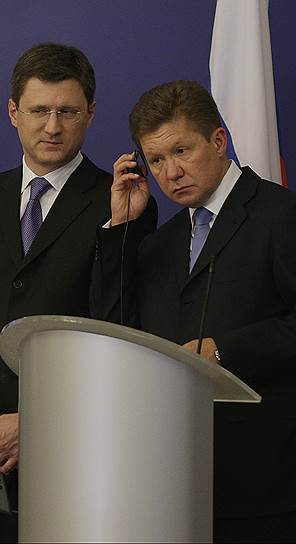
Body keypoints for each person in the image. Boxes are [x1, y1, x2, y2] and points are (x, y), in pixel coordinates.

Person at [0, 43, 156, 543]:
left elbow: (121, 333)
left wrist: (35, 424)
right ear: (14, 112)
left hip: (80, 455)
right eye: (39, 111)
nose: (52, 127)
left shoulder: (122, 202)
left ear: (90, 113)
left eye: (67, 112)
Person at [93, 79, 296, 542]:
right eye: (156, 160)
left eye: (182, 151)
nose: (171, 172)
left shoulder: (280, 214)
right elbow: (118, 336)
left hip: (265, 486)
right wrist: (123, 227)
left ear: (218, 141)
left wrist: (224, 351)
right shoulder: (156, 244)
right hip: (171, 484)